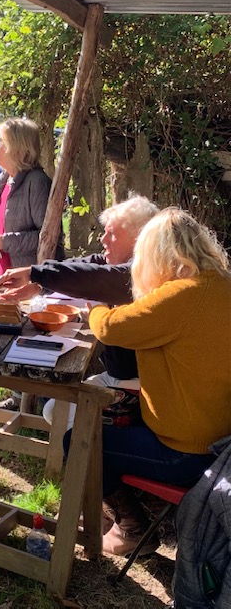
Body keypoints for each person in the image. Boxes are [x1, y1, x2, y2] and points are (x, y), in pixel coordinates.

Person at [85, 208, 231, 557]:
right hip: (220, 441)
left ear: (156, 255)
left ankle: (133, 527)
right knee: (111, 416)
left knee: (79, 439)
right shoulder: (221, 283)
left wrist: (92, 309)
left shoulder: (182, 294)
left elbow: (111, 327)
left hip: (187, 451)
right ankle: (112, 514)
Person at [0, 194, 159, 419]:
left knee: (58, 414)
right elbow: (89, 265)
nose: (103, 239)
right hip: (122, 376)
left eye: (112, 234)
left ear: (139, 239)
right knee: (54, 410)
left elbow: (97, 277)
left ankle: (90, 452)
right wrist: (38, 282)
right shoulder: (128, 264)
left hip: (143, 388)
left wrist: (35, 273)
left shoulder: (142, 273)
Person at [0, 118, 65, 276]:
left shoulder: (37, 182)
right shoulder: (2, 181)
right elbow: (6, 223)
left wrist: (4, 242)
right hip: (1, 273)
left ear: (18, 147)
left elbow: (50, 236)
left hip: (28, 279)